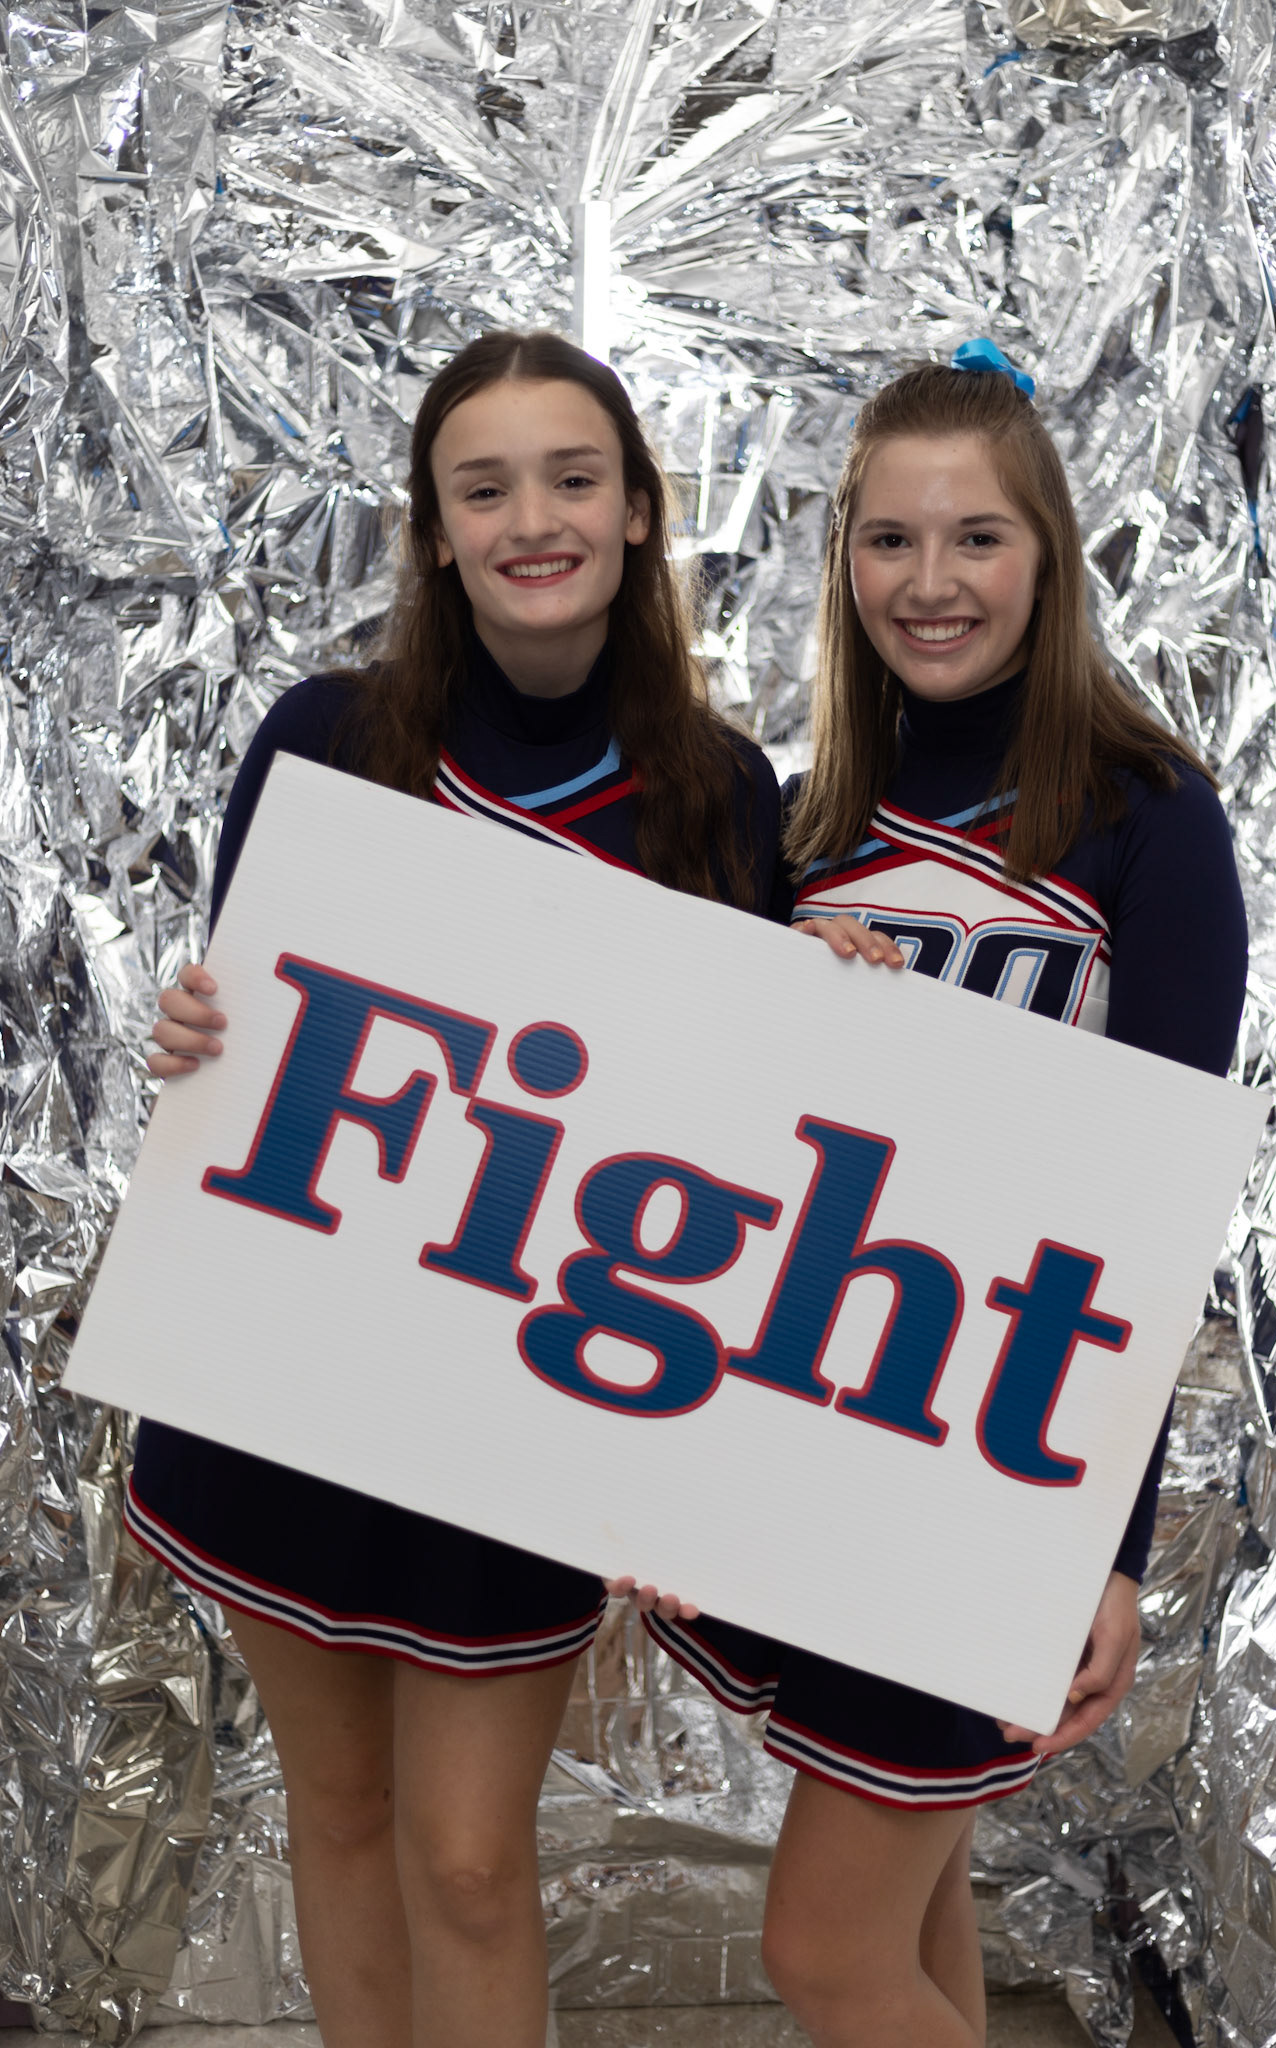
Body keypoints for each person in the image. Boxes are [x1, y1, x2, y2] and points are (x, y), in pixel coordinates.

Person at [129, 329, 781, 2048]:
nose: (530, 520)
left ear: (639, 511)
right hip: (297, 1384)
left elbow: (743, 1139)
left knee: (474, 1865)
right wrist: (198, 1027)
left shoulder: (720, 794)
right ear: (431, 531)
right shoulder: (323, 739)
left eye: (572, 479)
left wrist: (834, 978)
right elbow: (259, 1049)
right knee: (338, 1823)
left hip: (522, 1414)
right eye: (481, 488)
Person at [628, 342, 1248, 2048]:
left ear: (1044, 554)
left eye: (974, 537)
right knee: (908, 1929)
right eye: (889, 541)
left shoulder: (1146, 817)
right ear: (842, 562)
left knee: (826, 1952)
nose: (930, 581)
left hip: (994, 1458)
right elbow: (731, 1175)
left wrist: (1099, 1551)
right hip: (828, 1432)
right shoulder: (801, 815)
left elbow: (1153, 1202)